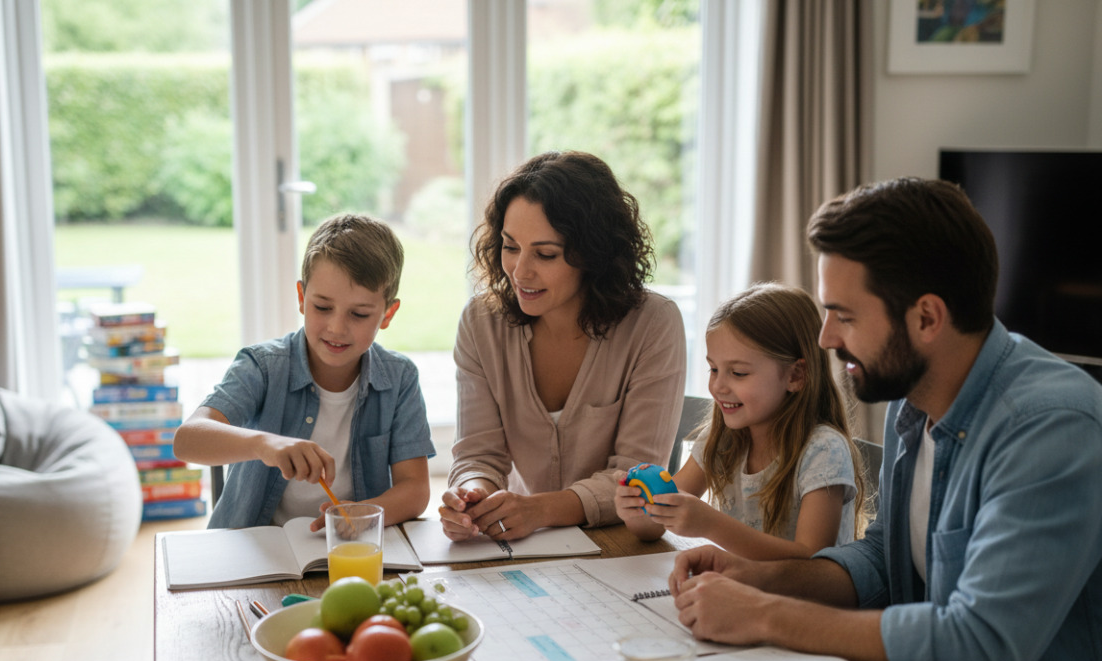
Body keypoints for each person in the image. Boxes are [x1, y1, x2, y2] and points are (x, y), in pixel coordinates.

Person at [669, 177, 1102, 661]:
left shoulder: (1050, 427)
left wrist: (766, 613)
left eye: (843, 315)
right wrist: (754, 576)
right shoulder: (913, 405)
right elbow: (881, 562)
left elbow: (977, 649)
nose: (824, 339)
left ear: (926, 317)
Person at [439, 150, 686, 542]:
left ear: (593, 254)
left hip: (620, 545)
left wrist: (541, 509)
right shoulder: (481, 323)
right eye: (510, 246)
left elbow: (635, 475)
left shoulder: (654, 324)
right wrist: (472, 494)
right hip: (521, 543)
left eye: (546, 253)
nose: (520, 272)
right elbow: (478, 454)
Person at [173, 213, 435, 531]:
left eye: (359, 314)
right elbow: (187, 440)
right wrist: (265, 445)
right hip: (257, 551)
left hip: (348, 547)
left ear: (387, 314)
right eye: (322, 307)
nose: (337, 328)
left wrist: (365, 514)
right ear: (301, 298)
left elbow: (415, 490)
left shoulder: (400, 379)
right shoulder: (263, 366)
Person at [616, 283, 864, 557]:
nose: (718, 386)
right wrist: (638, 513)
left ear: (795, 376)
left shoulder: (823, 451)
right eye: (714, 369)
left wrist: (711, 525)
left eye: (738, 373)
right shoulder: (721, 439)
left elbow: (812, 563)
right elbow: (657, 524)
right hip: (741, 591)